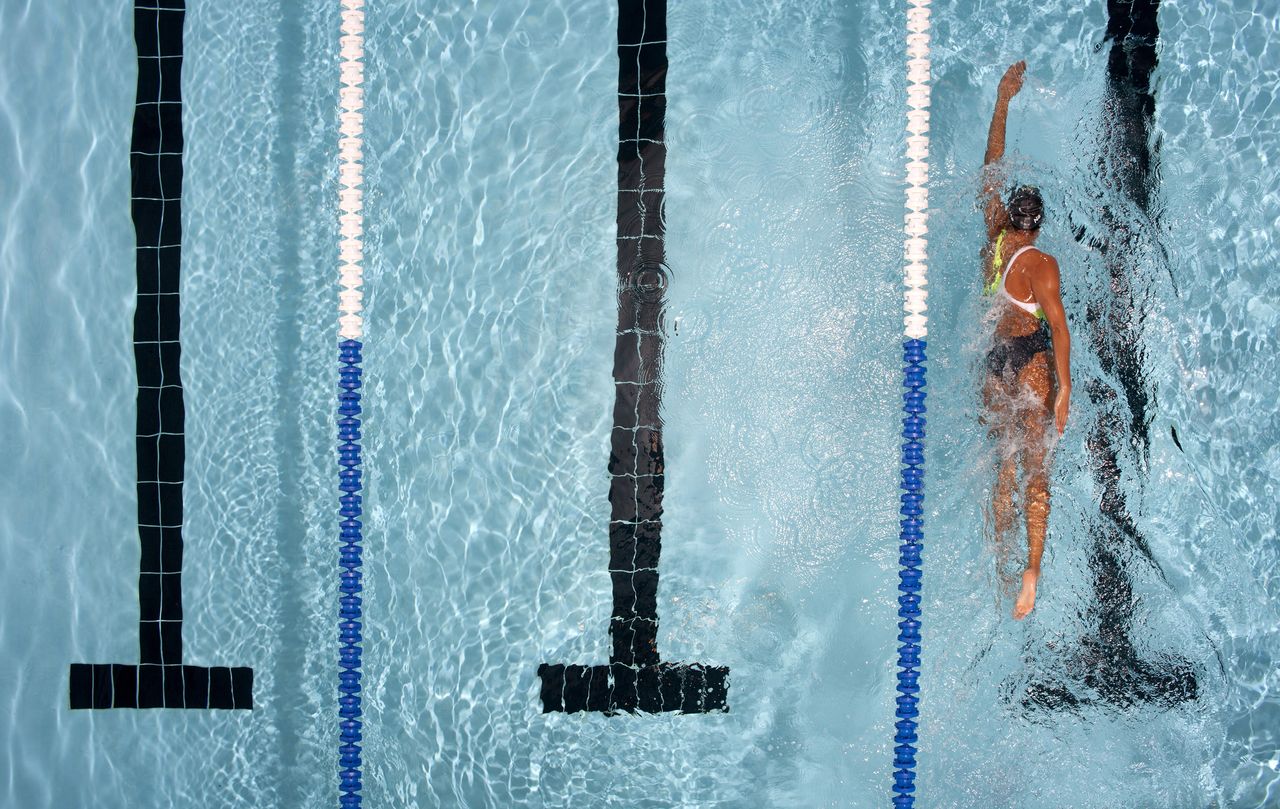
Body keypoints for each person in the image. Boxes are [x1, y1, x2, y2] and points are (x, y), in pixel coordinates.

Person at [979, 60, 1071, 620]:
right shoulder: (1042, 264)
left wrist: (1003, 101)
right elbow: (1058, 327)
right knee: (1037, 468)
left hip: (993, 362)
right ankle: (1032, 566)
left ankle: (1001, 564)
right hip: (1032, 361)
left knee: (1004, 465)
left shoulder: (994, 234)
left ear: (1012, 216)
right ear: (1040, 225)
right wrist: (1064, 390)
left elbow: (990, 167)